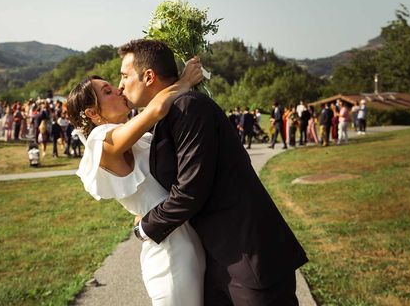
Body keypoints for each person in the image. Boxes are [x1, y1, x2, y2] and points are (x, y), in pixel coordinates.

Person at [118, 40, 307, 306]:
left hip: (247, 255)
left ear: (148, 76)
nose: (120, 85)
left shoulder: (189, 107)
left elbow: (189, 191)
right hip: (215, 258)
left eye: (125, 76)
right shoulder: (165, 117)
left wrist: (144, 228)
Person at [68, 55, 206, 306]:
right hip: (169, 252)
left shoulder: (131, 135)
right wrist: (185, 80)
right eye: (108, 91)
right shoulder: (101, 140)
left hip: (184, 236)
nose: (119, 89)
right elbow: (156, 108)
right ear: (92, 112)